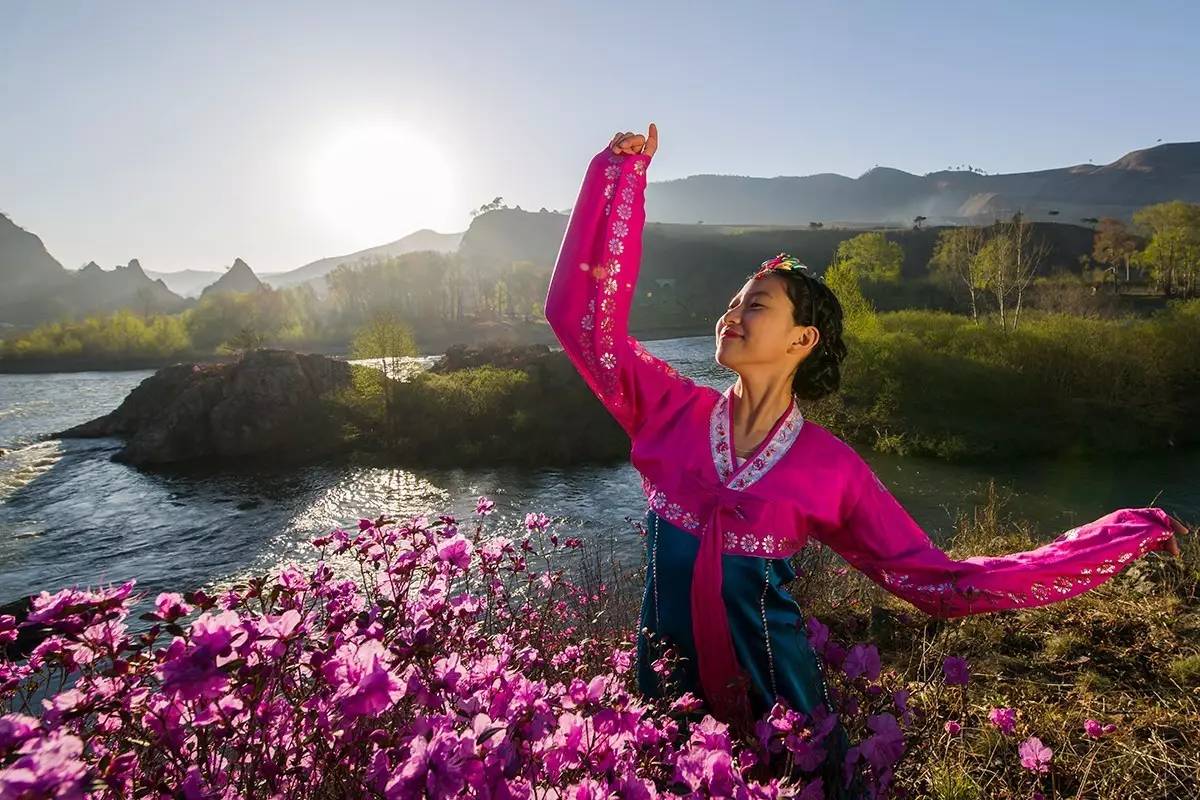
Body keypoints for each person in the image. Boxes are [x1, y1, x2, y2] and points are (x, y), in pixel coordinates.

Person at [543, 123, 1188, 796]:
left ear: (802, 338)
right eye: (732, 302)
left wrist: (1113, 540)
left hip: (784, 727)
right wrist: (618, 179)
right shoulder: (669, 409)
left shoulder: (831, 467)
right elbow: (578, 317)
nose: (731, 315)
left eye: (755, 305)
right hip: (664, 718)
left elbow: (939, 583)